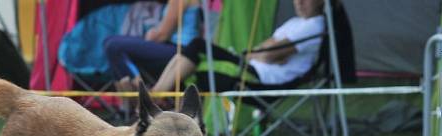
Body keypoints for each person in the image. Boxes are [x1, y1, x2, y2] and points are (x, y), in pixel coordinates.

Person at [151, 0, 325, 96]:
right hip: (252, 66)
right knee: (195, 53)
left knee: (197, 54)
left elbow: (269, 53)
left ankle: (155, 96)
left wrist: (265, 52)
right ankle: (156, 95)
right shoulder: (294, 23)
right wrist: (266, 52)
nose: (299, 2)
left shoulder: (314, 25)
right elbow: (266, 50)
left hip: (259, 77)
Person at [104, 0, 201, 92]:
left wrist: (151, 35)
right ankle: (129, 100)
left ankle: (139, 95)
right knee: (109, 42)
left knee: (114, 46)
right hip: (171, 46)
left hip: (182, 51)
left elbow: (162, 35)